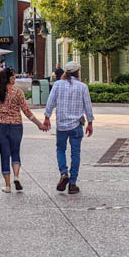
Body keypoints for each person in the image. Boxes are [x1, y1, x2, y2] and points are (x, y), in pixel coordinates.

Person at [0, 67, 45, 193]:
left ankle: (7, 185)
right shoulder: (18, 92)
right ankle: (16, 177)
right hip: (16, 126)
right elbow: (27, 111)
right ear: (9, 78)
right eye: (13, 77)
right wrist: (39, 124)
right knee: (15, 152)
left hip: (0, 125)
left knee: (4, 155)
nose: (14, 79)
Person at [43, 61, 94, 194]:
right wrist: (90, 122)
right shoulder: (82, 87)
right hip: (76, 124)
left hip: (61, 125)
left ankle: (63, 172)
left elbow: (50, 102)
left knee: (60, 149)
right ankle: (73, 183)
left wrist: (47, 117)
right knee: (75, 153)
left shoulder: (57, 85)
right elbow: (88, 106)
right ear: (77, 72)